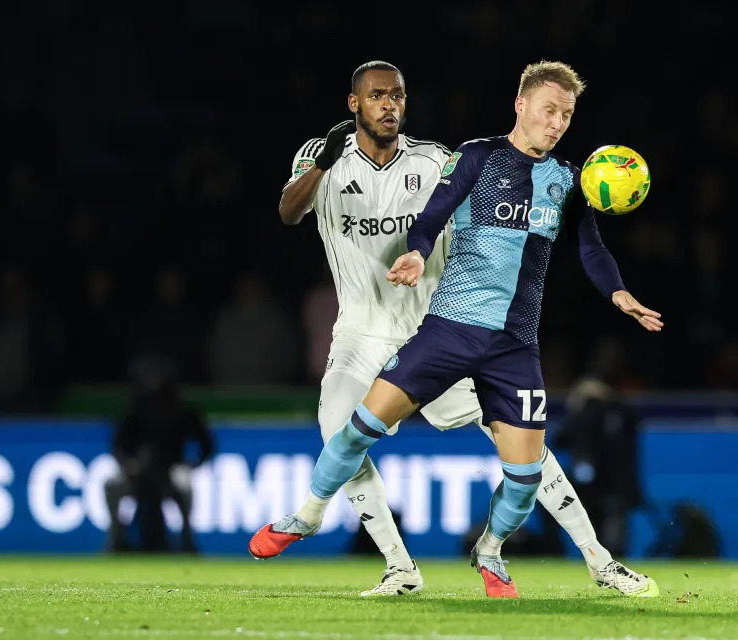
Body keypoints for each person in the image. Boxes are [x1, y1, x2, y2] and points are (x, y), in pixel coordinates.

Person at [249, 60, 660, 599]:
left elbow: (458, 210)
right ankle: (393, 564)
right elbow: (288, 212)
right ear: (355, 104)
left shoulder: (438, 159)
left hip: (440, 325)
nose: (389, 104)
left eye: (398, 95)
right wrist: (337, 174)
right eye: (377, 95)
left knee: (529, 461)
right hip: (361, 333)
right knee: (340, 432)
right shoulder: (322, 155)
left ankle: (595, 559)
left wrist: (616, 290)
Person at [104, 355, 215, 553]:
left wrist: (192, 464)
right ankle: (115, 538)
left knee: (184, 483)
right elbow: (118, 444)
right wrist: (128, 463)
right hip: (137, 469)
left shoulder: (181, 408)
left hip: (172, 467)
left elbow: (206, 442)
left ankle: (187, 538)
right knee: (112, 483)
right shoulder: (134, 407)